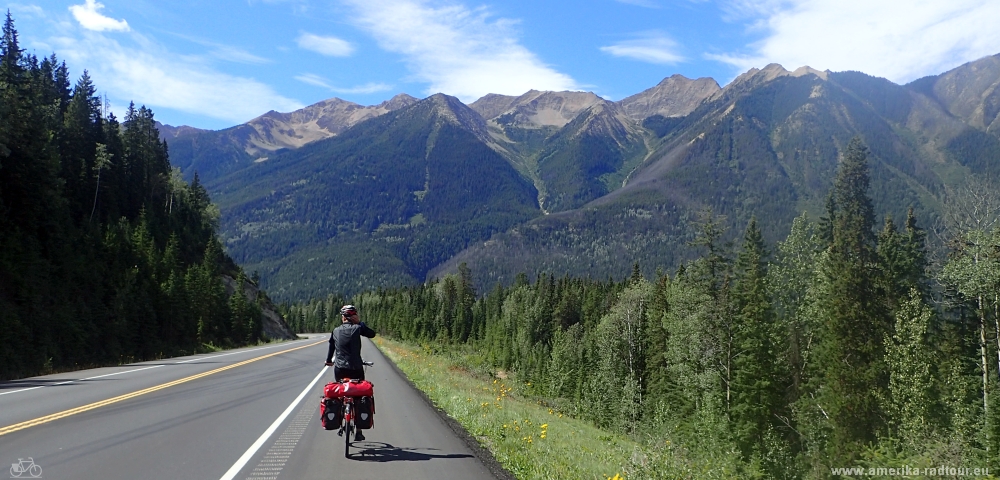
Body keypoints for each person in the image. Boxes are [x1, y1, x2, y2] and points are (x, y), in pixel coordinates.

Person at [325, 304, 377, 381]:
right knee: (359, 390)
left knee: (340, 390)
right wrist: (359, 323)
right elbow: (372, 334)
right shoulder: (358, 328)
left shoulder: (335, 330)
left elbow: (331, 346)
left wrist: (329, 360)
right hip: (356, 368)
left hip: (340, 369)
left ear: (343, 317)